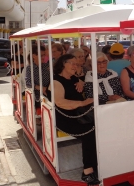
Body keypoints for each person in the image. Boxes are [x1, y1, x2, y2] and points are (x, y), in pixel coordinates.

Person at [48, 54, 99, 185]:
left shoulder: (72, 78)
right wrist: (84, 103)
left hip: (79, 115)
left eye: (77, 64)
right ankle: (87, 170)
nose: (75, 66)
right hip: (65, 118)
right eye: (73, 63)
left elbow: (81, 82)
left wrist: (81, 82)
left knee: (101, 126)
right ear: (63, 63)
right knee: (90, 132)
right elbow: (60, 102)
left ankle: (98, 163)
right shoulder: (55, 81)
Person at [25, 45, 50, 115]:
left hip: (49, 92)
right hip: (37, 96)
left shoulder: (47, 66)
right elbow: (28, 83)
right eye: (41, 55)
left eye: (44, 55)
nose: (43, 57)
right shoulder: (30, 68)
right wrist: (41, 88)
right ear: (34, 56)